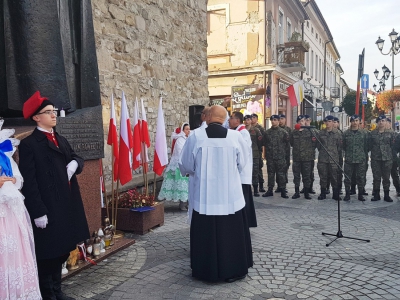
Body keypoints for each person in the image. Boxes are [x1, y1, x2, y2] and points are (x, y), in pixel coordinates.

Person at [19, 91, 90, 299]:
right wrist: (38, 211)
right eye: (48, 112)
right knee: (47, 254)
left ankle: (57, 290)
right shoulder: (30, 144)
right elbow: (29, 182)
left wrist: (75, 163)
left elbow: (77, 156)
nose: (53, 115)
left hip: (66, 206)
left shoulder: (60, 139)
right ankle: (48, 293)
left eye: (54, 112)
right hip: (48, 208)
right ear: (36, 117)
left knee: (62, 251)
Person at [179, 105, 253, 283]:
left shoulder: (195, 136)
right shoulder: (235, 137)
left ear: (207, 117)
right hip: (231, 197)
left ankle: (206, 270)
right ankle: (234, 269)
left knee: (206, 234)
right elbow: (242, 163)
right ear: (225, 118)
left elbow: (186, 165)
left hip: (205, 198)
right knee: (232, 233)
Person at [0, 120, 41, 299]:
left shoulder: (5, 155)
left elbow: (18, 178)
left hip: (11, 211)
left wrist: (12, 180)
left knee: (15, 252)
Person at [229, 111, 257, 227]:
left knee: (244, 198)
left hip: (242, 171)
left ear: (237, 120)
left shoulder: (243, 133)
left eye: (231, 118)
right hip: (238, 171)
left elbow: (243, 152)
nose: (229, 120)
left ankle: (245, 222)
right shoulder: (236, 131)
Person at [158, 123, 190, 210]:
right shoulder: (180, 140)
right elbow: (181, 152)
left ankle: (186, 202)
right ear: (183, 130)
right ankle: (182, 204)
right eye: (186, 129)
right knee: (180, 184)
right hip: (178, 165)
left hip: (186, 164)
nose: (188, 131)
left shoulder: (187, 139)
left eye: (189, 129)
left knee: (186, 185)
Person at [262, 115, 290, 198]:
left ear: (278, 121)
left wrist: (287, 159)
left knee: (281, 174)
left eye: (275, 120)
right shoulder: (267, 133)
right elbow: (264, 144)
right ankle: (270, 190)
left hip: (281, 158)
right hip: (270, 158)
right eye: (272, 120)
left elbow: (287, 147)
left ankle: (283, 190)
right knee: (270, 174)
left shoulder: (283, 132)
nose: (273, 121)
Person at [342, 115, 368, 201]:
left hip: (360, 159)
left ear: (359, 122)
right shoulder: (346, 133)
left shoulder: (364, 133)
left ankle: (360, 194)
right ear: (350, 122)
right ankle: (347, 194)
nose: (354, 122)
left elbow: (367, 146)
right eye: (353, 121)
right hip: (349, 159)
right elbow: (343, 146)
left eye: (356, 120)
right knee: (347, 177)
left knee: (360, 177)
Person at [369, 115, 395, 202]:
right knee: (376, 177)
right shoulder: (372, 134)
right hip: (376, 159)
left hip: (387, 158)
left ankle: (386, 195)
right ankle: (376, 194)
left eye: (383, 121)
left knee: (386, 177)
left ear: (386, 122)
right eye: (379, 121)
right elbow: (369, 145)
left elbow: (393, 145)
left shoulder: (391, 133)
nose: (381, 122)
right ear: (377, 123)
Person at [290, 115, 316, 200]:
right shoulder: (294, 132)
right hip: (297, 158)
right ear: (297, 122)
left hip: (307, 158)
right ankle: (296, 192)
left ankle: (306, 193)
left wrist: (309, 126)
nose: (301, 122)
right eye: (300, 121)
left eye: (303, 120)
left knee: (306, 176)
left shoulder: (310, 131)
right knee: (296, 176)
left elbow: (316, 139)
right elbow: (291, 143)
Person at [316, 115, 342, 201]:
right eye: (326, 121)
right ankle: (323, 193)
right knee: (323, 177)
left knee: (334, 177)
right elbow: (318, 146)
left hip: (333, 159)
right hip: (323, 159)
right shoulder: (321, 133)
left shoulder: (338, 133)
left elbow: (339, 147)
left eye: (330, 121)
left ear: (332, 122)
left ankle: (335, 194)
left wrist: (334, 154)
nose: (328, 123)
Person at [244, 115, 263, 197]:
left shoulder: (256, 130)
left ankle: (255, 189)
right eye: (245, 120)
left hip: (254, 154)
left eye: (248, 119)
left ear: (251, 120)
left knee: (255, 172)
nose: (247, 121)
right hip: (245, 155)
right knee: (245, 172)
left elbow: (260, 143)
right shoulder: (242, 130)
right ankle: (247, 189)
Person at [300, 115, 317, 194]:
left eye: (307, 120)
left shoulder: (313, 130)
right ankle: (305, 187)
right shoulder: (301, 130)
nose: (305, 122)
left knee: (310, 173)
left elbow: (318, 141)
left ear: (310, 120)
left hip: (310, 156)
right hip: (301, 156)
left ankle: (310, 187)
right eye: (304, 120)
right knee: (304, 173)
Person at [251, 113, 266, 192]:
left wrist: (260, 149)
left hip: (258, 152)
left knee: (258, 169)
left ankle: (261, 185)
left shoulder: (260, 128)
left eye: (254, 117)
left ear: (257, 119)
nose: (252, 119)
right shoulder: (248, 128)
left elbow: (262, 140)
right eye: (251, 118)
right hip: (251, 153)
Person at [277, 114, 292, 192]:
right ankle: (278, 186)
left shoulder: (288, 130)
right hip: (277, 154)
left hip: (286, 153)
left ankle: (283, 186)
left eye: (282, 119)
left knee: (284, 170)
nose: (280, 121)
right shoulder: (275, 129)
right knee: (277, 170)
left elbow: (291, 141)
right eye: (279, 119)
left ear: (285, 120)